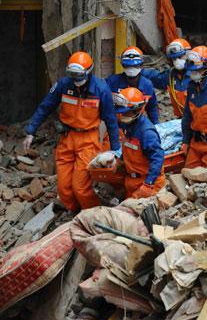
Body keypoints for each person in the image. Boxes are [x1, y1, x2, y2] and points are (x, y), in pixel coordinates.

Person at [23, 52, 120, 211]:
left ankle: (94, 215)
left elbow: (111, 120)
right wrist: (31, 131)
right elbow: (45, 107)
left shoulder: (101, 89)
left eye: (79, 76)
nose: (76, 81)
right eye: (72, 76)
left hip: (88, 140)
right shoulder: (63, 84)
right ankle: (75, 214)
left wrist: (115, 150)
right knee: (64, 190)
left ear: (89, 72)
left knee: (80, 187)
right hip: (67, 138)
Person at [113, 87, 165, 199]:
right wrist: (121, 160)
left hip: (147, 183)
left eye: (126, 112)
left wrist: (148, 184)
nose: (123, 115)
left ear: (137, 110)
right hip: (132, 181)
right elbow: (130, 148)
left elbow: (158, 158)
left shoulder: (147, 133)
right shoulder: (129, 126)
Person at [106, 46, 159, 124]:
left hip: (138, 123)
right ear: (123, 65)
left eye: (135, 66)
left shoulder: (147, 85)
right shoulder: (112, 81)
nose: (131, 69)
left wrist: (156, 125)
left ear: (141, 65)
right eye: (128, 66)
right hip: (117, 123)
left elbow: (152, 108)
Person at [143, 38, 191, 117]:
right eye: (174, 58)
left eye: (180, 57)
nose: (176, 61)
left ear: (188, 54)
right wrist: (138, 70)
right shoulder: (170, 76)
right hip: (182, 119)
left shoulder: (197, 76)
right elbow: (155, 77)